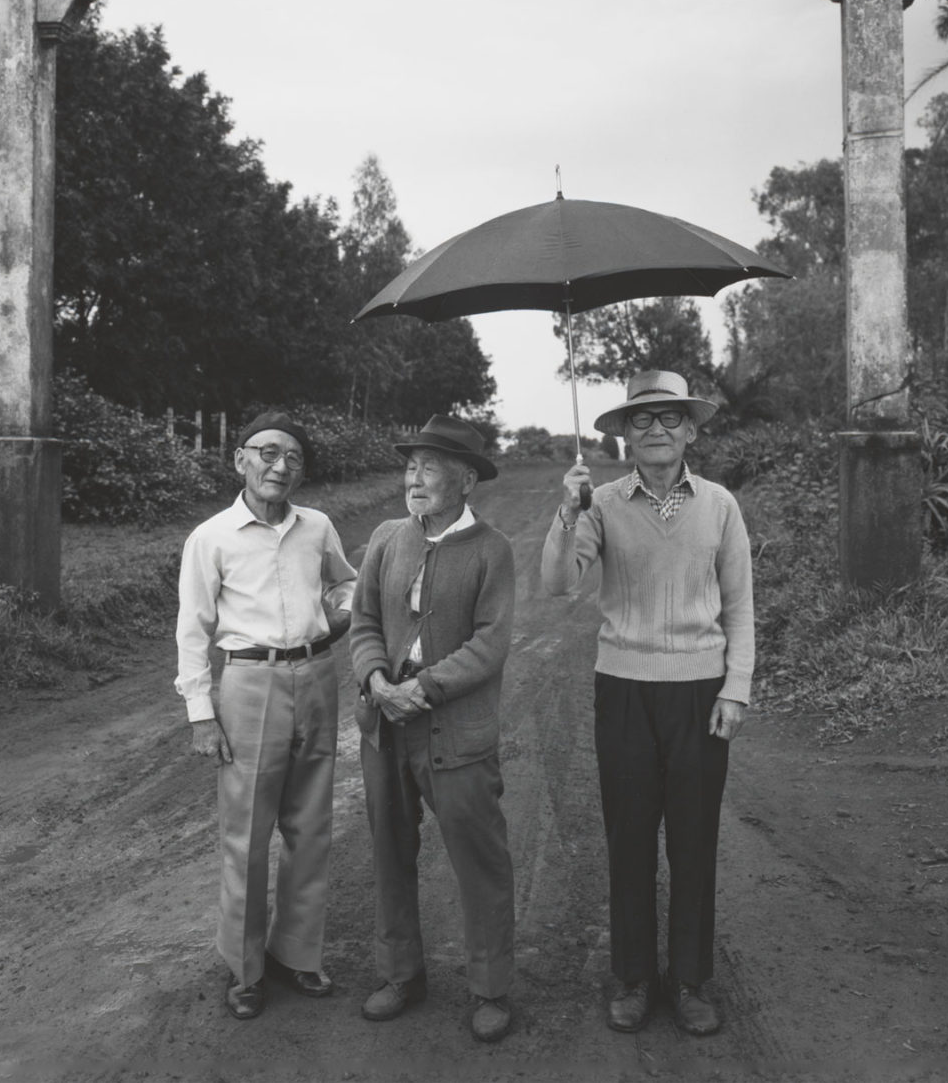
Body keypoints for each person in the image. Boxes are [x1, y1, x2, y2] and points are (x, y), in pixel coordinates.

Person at [540, 370, 754, 1038]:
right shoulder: (599, 502)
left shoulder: (719, 505)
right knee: (629, 840)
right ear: (623, 434)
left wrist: (736, 687)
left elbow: (741, 605)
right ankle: (632, 977)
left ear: (691, 429)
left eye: (669, 418)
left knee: (693, 842)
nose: (656, 429)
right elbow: (556, 586)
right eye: (641, 419)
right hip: (624, 689)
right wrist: (566, 512)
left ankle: (690, 981)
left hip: (699, 694)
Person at [175, 409, 357, 1019]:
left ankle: (297, 955)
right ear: (241, 460)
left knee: (311, 827)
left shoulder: (318, 527)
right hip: (248, 682)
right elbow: (193, 631)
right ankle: (245, 967)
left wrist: (350, 604)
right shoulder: (212, 537)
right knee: (246, 834)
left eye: (294, 458)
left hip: (317, 675)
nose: (281, 466)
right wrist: (202, 715)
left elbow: (343, 586)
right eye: (269, 453)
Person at [347, 414, 520, 1044]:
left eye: (429, 468)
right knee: (391, 852)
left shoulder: (492, 550)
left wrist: (423, 688)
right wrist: (374, 681)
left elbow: (490, 644)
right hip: (384, 725)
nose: (413, 479)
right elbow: (364, 619)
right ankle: (400, 974)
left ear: (466, 479)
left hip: (455, 731)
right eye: (410, 467)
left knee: (480, 860)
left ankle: (491, 988)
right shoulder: (388, 537)